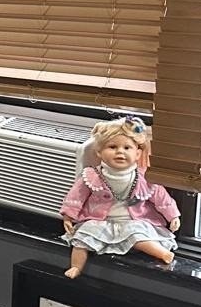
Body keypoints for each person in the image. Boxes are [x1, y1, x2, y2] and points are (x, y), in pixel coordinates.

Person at [58, 117, 180, 279]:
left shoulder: (144, 177)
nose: (120, 152)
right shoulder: (92, 175)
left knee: (137, 236)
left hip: (134, 221)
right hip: (100, 221)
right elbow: (76, 196)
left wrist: (173, 216)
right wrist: (68, 216)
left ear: (137, 153)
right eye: (112, 147)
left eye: (127, 147)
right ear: (99, 151)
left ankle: (163, 253)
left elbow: (161, 197)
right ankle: (76, 267)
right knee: (81, 240)